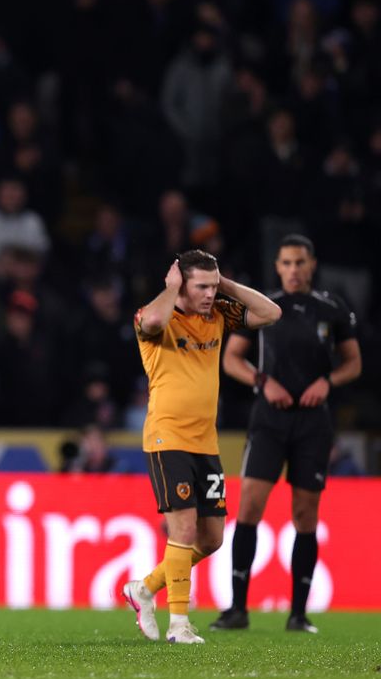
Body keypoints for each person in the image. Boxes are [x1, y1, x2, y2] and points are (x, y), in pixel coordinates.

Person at [121, 250, 280, 644]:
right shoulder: (154, 316)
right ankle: (179, 625)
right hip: (167, 436)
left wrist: (225, 284)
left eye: (213, 285)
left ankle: (143, 589)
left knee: (211, 539)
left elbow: (270, 313)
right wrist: (171, 288)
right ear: (181, 283)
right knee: (184, 529)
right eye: (202, 286)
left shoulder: (218, 315)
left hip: (205, 442)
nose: (209, 294)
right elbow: (155, 319)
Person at [211, 235, 361, 634]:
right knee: (249, 508)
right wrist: (263, 381)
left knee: (305, 514)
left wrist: (328, 382)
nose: (293, 270)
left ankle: (298, 614)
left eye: (300, 262)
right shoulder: (265, 308)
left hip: (313, 424)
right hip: (269, 420)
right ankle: (237, 608)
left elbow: (353, 364)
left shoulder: (332, 309)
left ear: (312, 265)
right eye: (286, 263)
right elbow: (231, 359)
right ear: (277, 267)